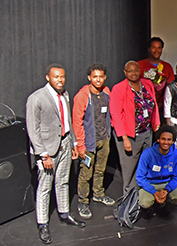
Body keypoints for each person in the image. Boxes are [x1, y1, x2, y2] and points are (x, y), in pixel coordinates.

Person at [27, 64, 85, 244]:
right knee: (45, 187)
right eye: (56, 77)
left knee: (63, 181)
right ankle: (43, 224)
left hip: (66, 143)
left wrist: (74, 143)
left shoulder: (65, 95)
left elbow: (67, 121)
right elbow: (32, 130)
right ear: (48, 78)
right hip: (47, 149)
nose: (60, 80)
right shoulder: (36, 98)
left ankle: (64, 213)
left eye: (62, 77)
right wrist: (43, 155)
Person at [72, 63, 115, 220]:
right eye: (95, 77)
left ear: (104, 77)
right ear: (89, 77)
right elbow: (77, 122)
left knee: (100, 169)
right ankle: (83, 202)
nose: (98, 80)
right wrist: (80, 145)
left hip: (104, 139)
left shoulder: (106, 92)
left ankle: (98, 194)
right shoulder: (82, 96)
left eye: (101, 76)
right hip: (89, 142)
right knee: (86, 173)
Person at [110, 61, 160, 194]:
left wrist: (156, 122)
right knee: (129, 169)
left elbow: (153, 103)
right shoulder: (119, 88)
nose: (133, 73)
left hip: (146, 132)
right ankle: (129, 200)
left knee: (145, 166)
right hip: (130, 136)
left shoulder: (147, 84)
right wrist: (124, 138)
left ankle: (142, 195)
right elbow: (116, 114)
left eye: (136, 70)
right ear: (125, 72)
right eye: (130, 71)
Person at [135, 126, 177, 214]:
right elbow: (140, 177)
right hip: (151, 183)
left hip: (167, 183)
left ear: (173, 141)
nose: (166, 142)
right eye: (163, 139)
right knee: (145, 203)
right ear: (158, 140)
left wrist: (166, 190)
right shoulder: (148, 153)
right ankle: (153, 204)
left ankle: (165, 201)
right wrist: (154, 192)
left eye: (169, 140)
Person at [138, 37, 175, 120]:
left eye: (159, 48)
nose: (156, 50)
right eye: (154, 47)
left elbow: (171, 88)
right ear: (149, 49)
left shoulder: (167, 67)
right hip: (144, 107)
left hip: (162, 109)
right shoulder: (140, 65)